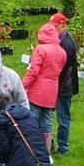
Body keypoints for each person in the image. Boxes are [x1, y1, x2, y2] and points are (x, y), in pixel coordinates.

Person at [21, 22, 66, 152]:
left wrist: (22, 85)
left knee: (31, 120)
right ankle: (45, 153)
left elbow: (34, 72)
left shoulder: (41, 49)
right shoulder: (62, 52)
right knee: (46, 122)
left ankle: (30, 151)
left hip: (37, 90)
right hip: (52, 90)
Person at [50, 12, 78, 155]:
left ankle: (63, 148)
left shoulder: (66, 44)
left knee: (63, 118)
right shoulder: (62, 39)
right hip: (61, 85)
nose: (52, 30)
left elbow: (61, 67)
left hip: (63, 87)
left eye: (55, 27)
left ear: (63, 26)